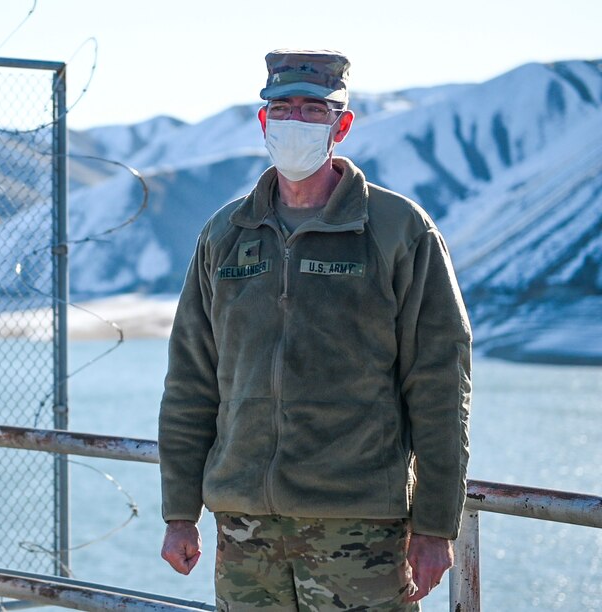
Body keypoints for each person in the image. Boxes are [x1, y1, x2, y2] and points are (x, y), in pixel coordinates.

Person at [157, 49, 472, 610]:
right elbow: (190, 380)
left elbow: (440, 384)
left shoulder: (399, 230)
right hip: (246, 531)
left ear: (341, 124)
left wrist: (435, 524)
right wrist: (180, 513)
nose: (295, 122)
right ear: (263, 121)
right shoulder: (226, 233)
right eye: (282, 109)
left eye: (313, 109)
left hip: (359, 530)